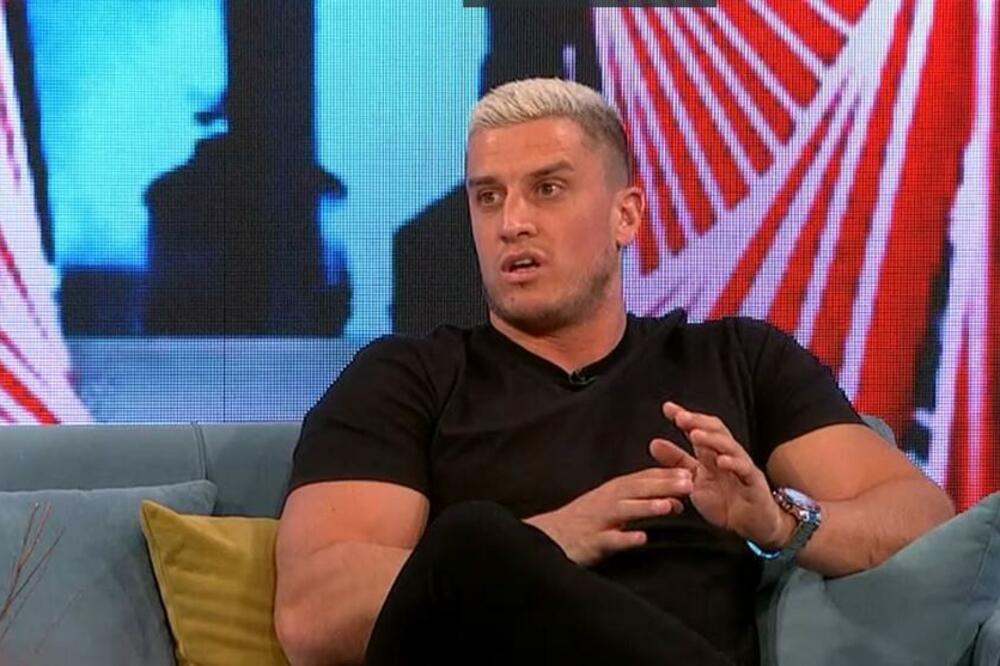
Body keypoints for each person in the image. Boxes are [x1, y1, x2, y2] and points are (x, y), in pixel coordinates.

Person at [273, 78, 955, 666]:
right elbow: (313, 613)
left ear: (625, 215)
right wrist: (543, 544)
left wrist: (778, 524)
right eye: (488, 197)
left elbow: (921, 517)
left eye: (547, 189)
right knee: (471, 540)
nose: (512, 222)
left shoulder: (738, 360)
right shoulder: (404, 379)